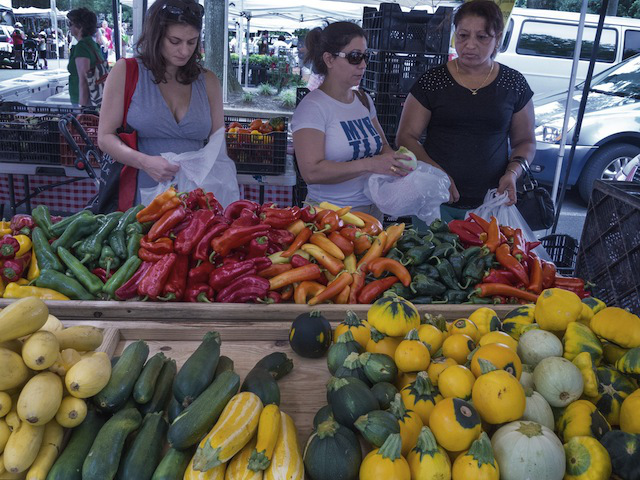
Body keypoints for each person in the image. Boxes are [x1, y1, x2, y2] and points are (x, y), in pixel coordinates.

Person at [396, 0, 536, 225]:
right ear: (454, 35)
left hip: (491, 204)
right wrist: (438, 175)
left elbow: (525, 141)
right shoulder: (432, 82)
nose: (470, 45)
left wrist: (512, 173)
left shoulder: (514, 84)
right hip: (434, 200)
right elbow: (406, 137)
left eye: (482, 37)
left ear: (497, 38)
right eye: (463, 36)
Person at [97, 0, 224, 204]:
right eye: (175, 41)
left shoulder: (209, 81)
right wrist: (145, 162)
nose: (184, 50)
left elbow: (218, 144)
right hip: (137, 198)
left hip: (195, 202)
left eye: (191, 42)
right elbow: (104, 137)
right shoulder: (126, 71)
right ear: (156, 36)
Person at [292, 22, 412, 221]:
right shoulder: (313, 107)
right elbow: (312, 172)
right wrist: (370, 164)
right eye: (354, 57)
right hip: (331, 217)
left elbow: (383, 146)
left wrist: (399, 163)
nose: (363, 64)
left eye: (366, 56)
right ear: (329, 59)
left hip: (372, 212)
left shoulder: (363, 100)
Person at [66, 8, 103, 106]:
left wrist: (82, 109)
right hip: (95, 98)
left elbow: (84, 81)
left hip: (84, 100)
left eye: (70, 24)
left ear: (80, 26)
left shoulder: (82, 47)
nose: (69, 28)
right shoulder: (92, 44)